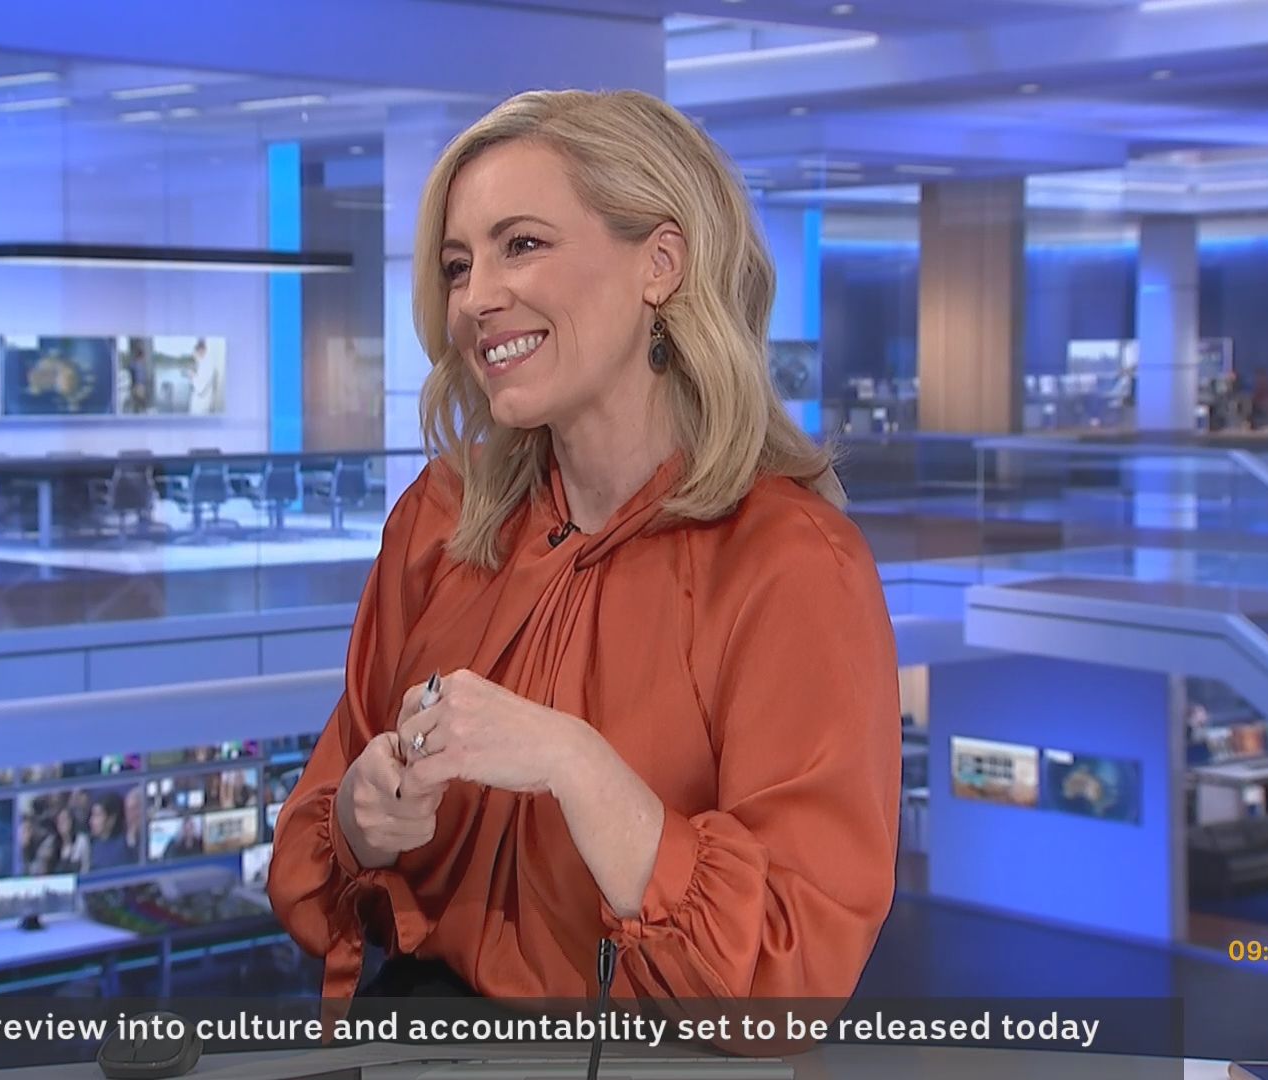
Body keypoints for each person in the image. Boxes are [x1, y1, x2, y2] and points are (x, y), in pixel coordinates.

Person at [266, 89, 899, 1030]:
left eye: (521, 245)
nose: (476, 299)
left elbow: (793, 965)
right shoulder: (439, 519)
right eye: (458, 265)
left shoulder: (792, 564)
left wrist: (578, 767)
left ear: (660, 263)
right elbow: (309, 854)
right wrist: (363, 819)